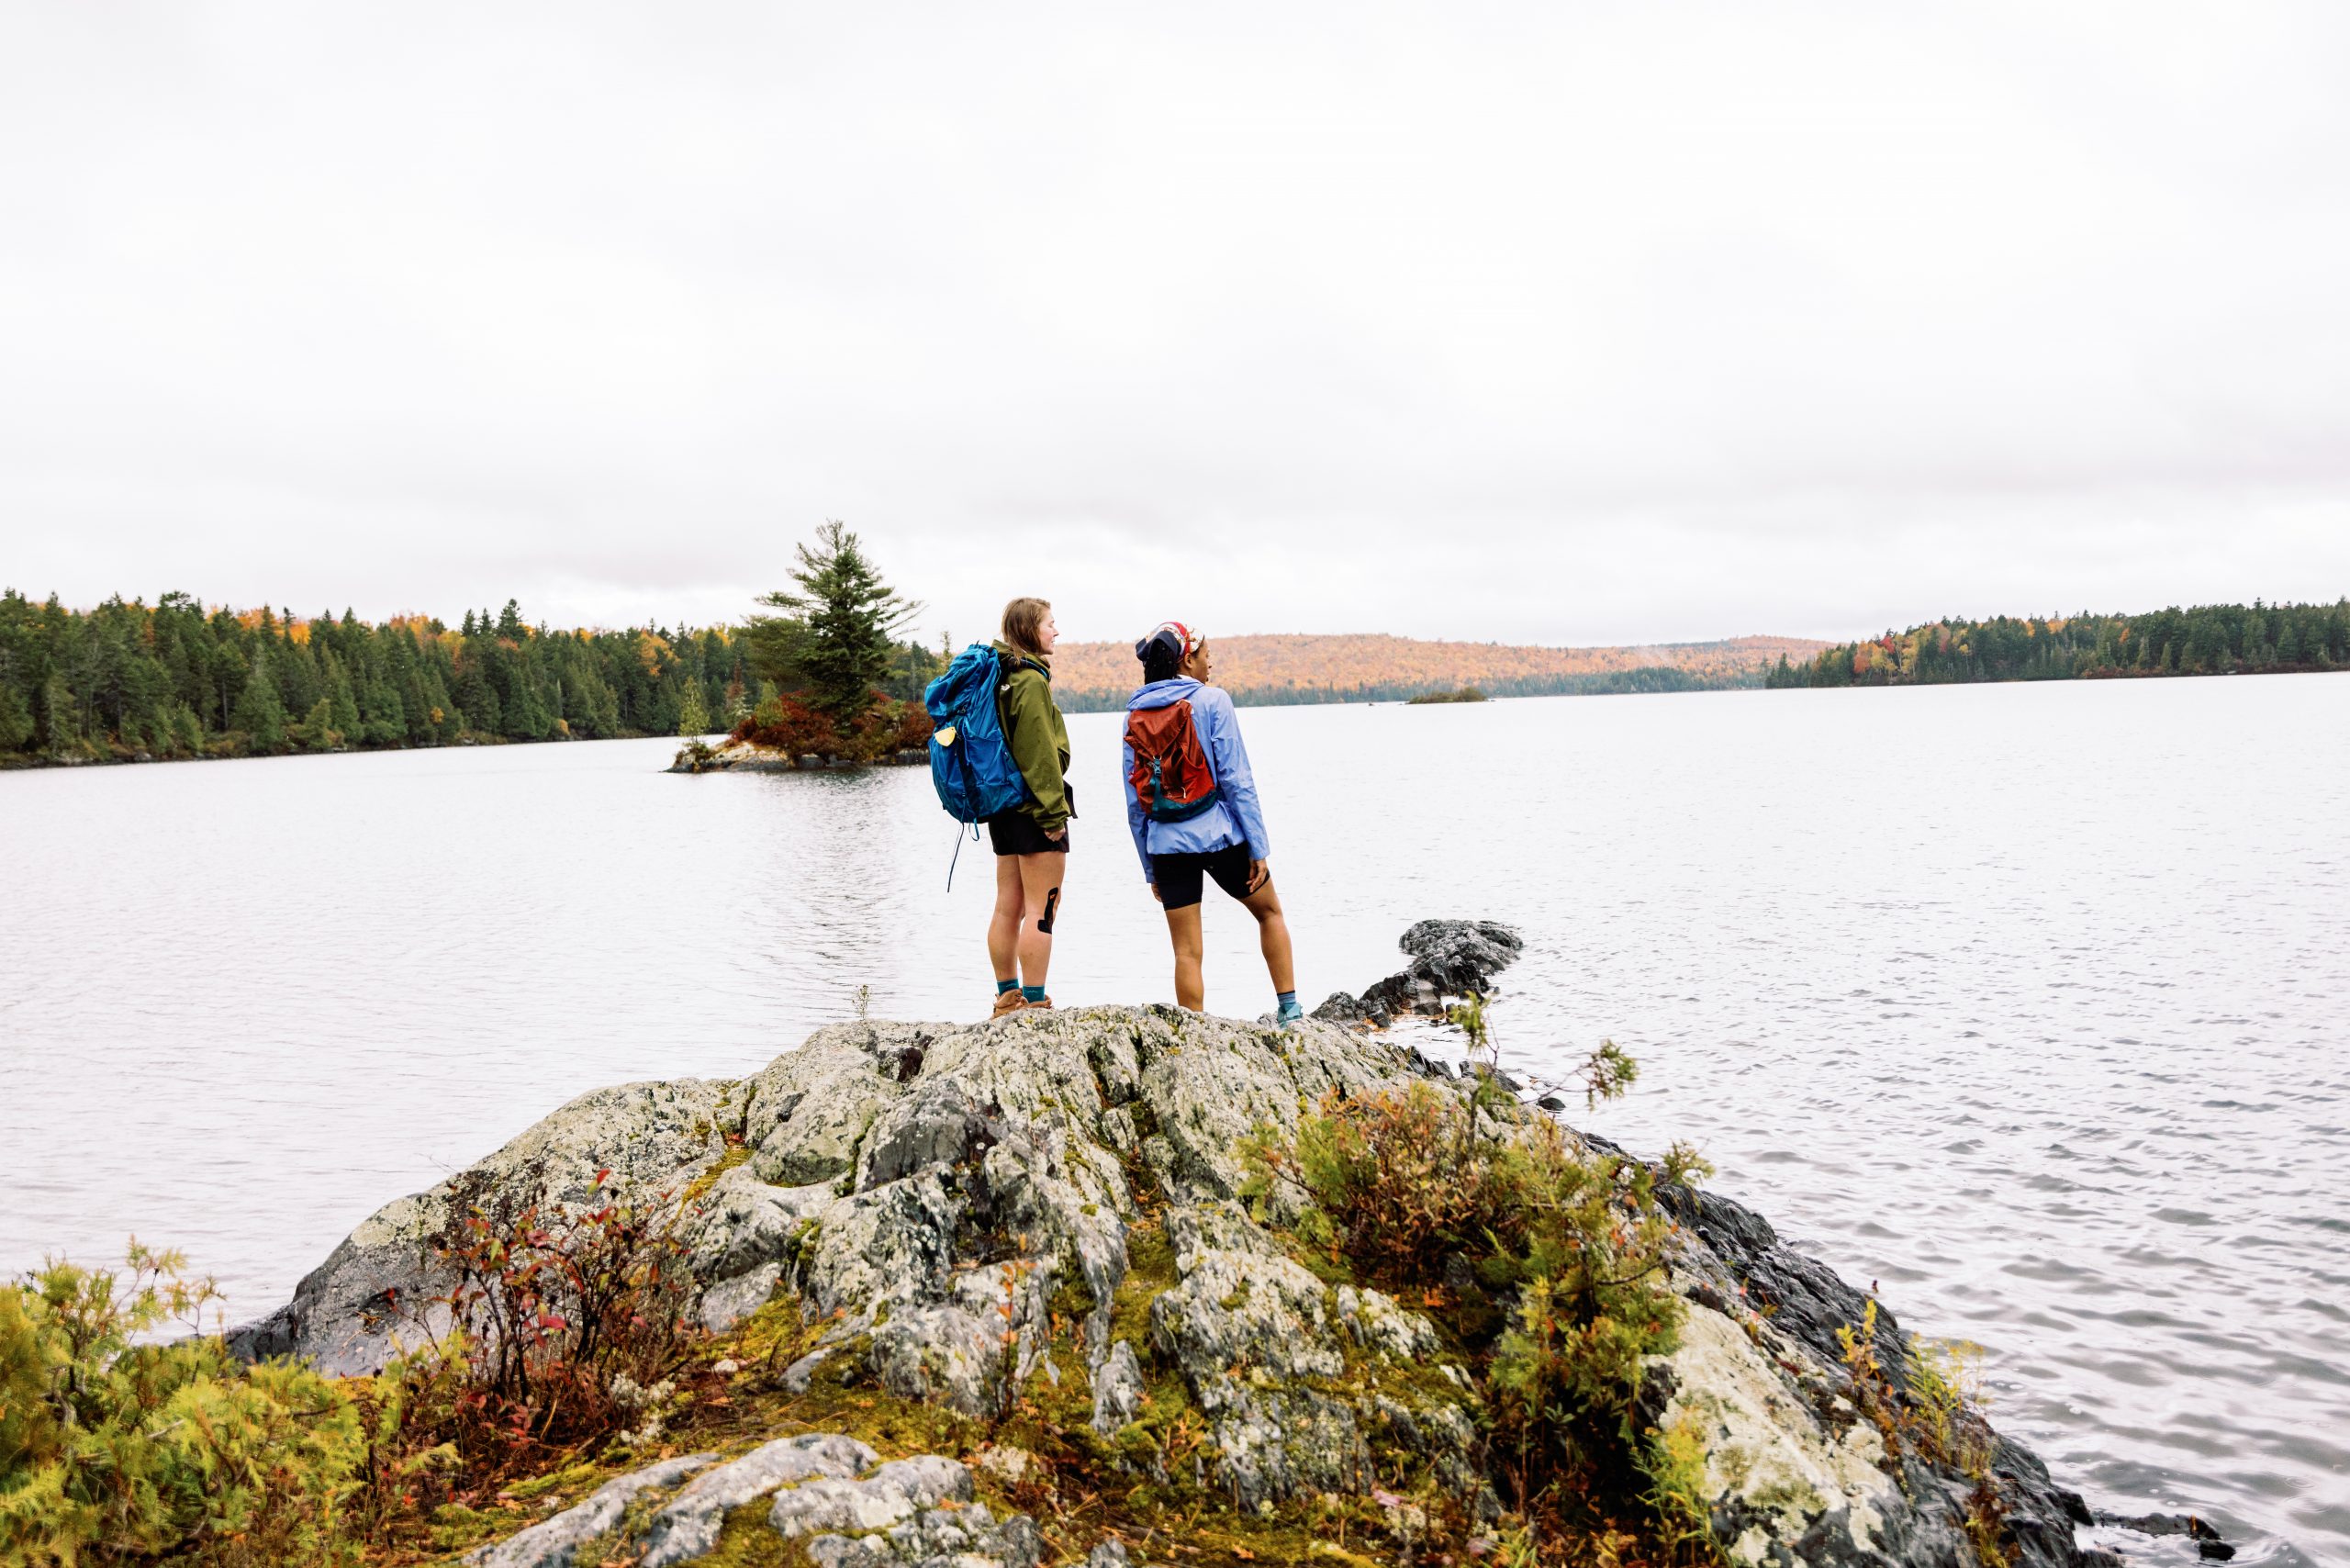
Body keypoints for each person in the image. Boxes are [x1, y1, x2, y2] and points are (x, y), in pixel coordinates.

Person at [1123, 622, 1303, 1025]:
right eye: (1206, 657)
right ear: (1187, 659)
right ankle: (1290, 1013)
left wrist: (1149, 867)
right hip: (1220, 836)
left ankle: (1195, 1034)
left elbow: (1136, 804)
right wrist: (1258, 847)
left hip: (1166, 847)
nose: (1210, 665)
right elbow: (1238, 780)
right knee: (1270, 913)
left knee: (1186, 952)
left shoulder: (1133, 715)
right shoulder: (1213, 701)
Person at [987, 597, 1072, 1015]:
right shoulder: (1031, 683)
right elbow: (1039, 755)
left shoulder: (1001, 677)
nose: (1056, 632)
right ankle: (1034, 1003)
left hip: (1002, 808)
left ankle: (1007, 997)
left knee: (1008, 905)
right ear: (1029, 630)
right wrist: (1054, 816)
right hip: (1034, 809)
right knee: (1043, 907)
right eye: (1050, 624)